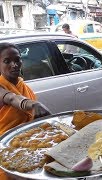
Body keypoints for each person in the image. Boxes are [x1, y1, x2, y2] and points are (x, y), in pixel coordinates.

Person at [0, 43, 51, 179]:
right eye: (7, 61)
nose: (14, 64)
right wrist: (32, 104)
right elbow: (11, 98)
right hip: (6, 149)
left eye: (17, 60)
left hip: (29, 146)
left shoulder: (23, 86)